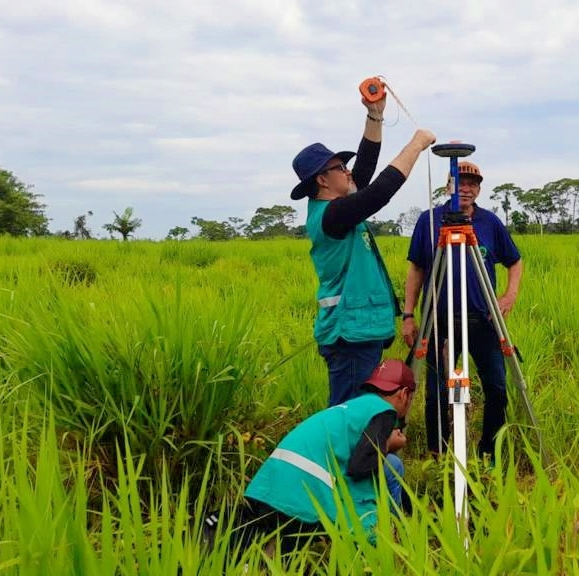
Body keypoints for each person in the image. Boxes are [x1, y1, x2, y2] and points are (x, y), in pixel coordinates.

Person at [290, 90, 436, 406]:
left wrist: (375, 115)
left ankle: (365, 456)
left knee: (359, 413)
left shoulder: (337, 207)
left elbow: (365, 170)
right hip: (349, 335)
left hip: (358, 332)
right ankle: (343, 458)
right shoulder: (332, 216)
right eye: (339, 167)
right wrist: (416, 144)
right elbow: (379, 191)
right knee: (350, 417)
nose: (347, 171)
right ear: (322, 180)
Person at [217, 358, 416, 555]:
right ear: (404, 394)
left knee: (269, 558)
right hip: (301, 498)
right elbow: (360, 469)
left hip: (270, 486)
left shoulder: (354, 408)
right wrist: (374, 539)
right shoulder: (385, 412)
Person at [401, 160, 523, 460]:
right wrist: (408, 315)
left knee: (496, 388)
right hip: (439, 321)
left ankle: (488, 452)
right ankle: (438, 454)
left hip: (482, 320)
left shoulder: (490, 223)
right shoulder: (429, 221)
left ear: (479, 189)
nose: (466, 189)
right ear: (448, 186)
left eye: (472, 184)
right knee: (437, 393)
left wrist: (509, 296)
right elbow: (416, 268)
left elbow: (514, 261)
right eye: (459, 182)